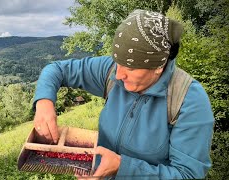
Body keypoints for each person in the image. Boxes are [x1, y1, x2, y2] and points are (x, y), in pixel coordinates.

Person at [33, 9, 214, 179]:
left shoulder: (188, 100)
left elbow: (188, 174)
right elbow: (56, 69)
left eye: (130, 67)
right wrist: (44, 101)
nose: (118, 75)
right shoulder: (110, 70)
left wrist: (122, 166)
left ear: (158, 66)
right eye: (118, 62)